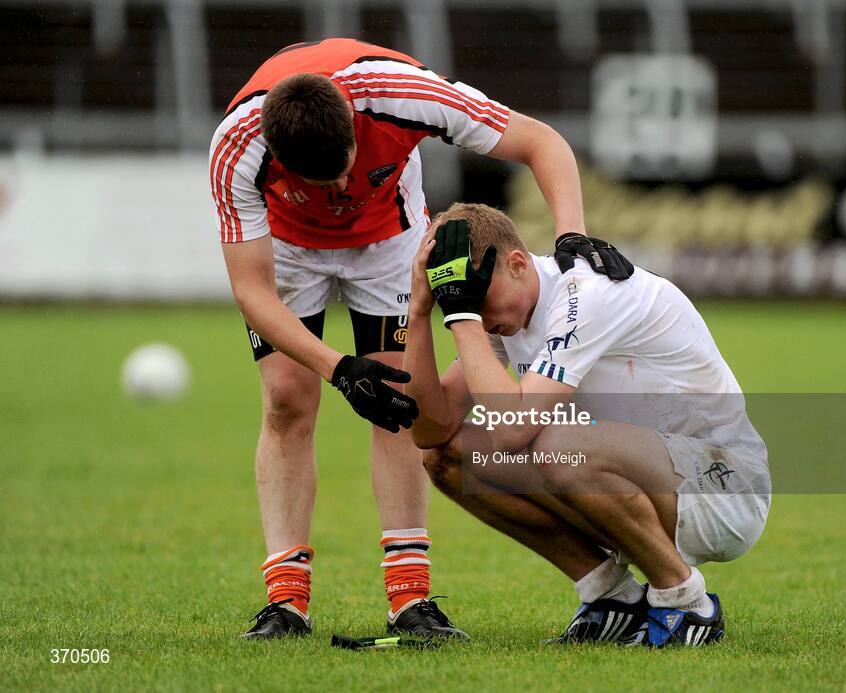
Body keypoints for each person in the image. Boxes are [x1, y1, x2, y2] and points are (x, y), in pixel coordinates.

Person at [209, 38, 633, 640]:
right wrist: (337, 368)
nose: (338, 198)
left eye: (346, 174)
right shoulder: (236, 146)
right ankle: (285, 602)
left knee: (397, 403)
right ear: (275, 152)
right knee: (286, 400)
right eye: (320, 184)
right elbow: (253, 293)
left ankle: (410, 599)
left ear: (356, 124)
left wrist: (571, 235)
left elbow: (542, 142)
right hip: (289, 250)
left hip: (388, 240)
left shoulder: (400, 92)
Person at [403, 204, 771, 647]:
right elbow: (430, 431)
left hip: (725, 487)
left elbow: (512, 428)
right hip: (651, 479)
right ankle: (610, 599)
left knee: (555, 444)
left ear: (517, 264)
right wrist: (421, 313)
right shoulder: (506, 315)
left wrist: (461, 314)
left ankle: (686, 603)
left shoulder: (585, 292)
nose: (474, 313)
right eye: (463, 300)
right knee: (449, 458)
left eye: (477, 296)